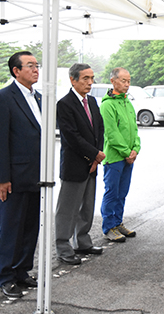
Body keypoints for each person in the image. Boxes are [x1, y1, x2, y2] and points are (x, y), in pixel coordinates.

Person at [0, 51, 41, 298]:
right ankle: (6, 276)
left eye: (37, 65)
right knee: (10, 229)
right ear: (16, 71)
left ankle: (22, 271)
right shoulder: (3, 98)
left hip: (35, 176)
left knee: (30, 227)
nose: (36, 69)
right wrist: (2, 178)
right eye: (30, 66)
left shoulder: (38, 97)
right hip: (12, 178)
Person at [55, 63, 105, 265]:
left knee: (87, 207)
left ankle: (83, 242)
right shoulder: (64, 104)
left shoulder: (92, 101)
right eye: (85, 78)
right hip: (75, 165)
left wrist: (96, 155)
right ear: (72, 79)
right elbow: (71, 137)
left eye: (92, 78)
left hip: (92, 164)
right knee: (68, 209)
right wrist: (93, 155)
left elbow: (99, 130)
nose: (90, 82)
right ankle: (63, 247)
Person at [100, 67, 140, 242]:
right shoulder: (107, 104)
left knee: (122, 192)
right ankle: (109, 226)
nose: (127, 84)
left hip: (128, 157)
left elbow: (135, 129)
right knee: (112, 192)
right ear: (113, 81)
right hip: (115, 157)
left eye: (129, 80)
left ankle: (118, 222)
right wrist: (126, 152)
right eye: (123, 80)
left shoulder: (127, 102)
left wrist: (136, 149)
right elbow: (111, 133)